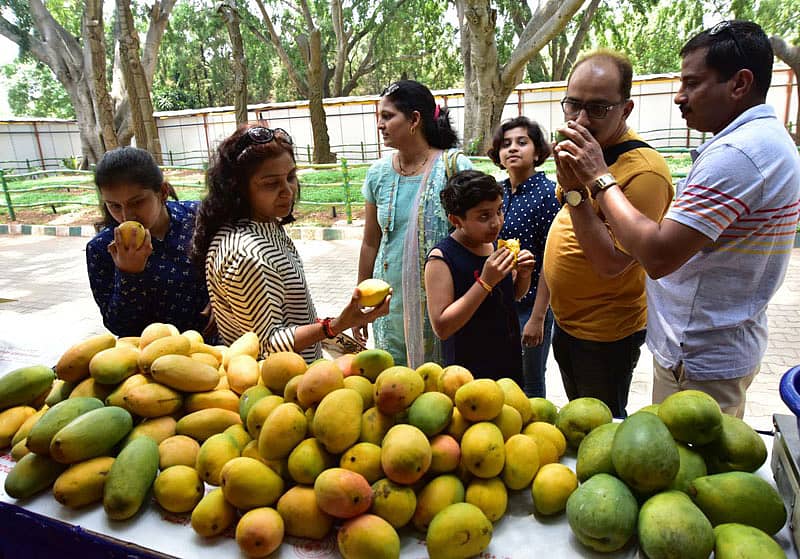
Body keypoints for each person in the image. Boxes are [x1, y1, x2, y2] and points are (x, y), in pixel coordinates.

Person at [555, 22, 800, 418]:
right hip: (692, 350)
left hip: (700, 355)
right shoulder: (750, 144)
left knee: (685, 470)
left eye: (691, 83)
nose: (679, 97)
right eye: (573, 105)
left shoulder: (739, 155)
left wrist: (597, 179)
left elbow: (656, 255)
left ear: (739, 84)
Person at [543, 49, 674, 418]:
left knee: (601, 427)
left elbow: (611, 263)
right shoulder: (587, 152)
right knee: (577, 416)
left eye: (599, 108)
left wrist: (578, 189)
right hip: (568, 323)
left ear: (626, 110)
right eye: (573, 105)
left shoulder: (645, 172)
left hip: (605, 335)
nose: (582, 120)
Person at [191, 125, 389, 363]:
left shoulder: (266, 226)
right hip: (276, 390)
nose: (287, 190)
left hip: (302, 377)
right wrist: (336, 325)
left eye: (291, 177)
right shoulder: (245, 253)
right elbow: (265, 346)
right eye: (270, 183)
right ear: (238, 188)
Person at [356, 80, 472, 367]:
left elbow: (479, 236)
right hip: (389, 307)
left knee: (438, 390)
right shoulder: (378, 174)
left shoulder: (454, 167)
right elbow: (371, 241)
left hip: (441, 305)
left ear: (415, 120)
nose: (380, 125)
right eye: (378, 118)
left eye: (387, 116)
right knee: (394, 387)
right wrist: (360, 301)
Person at [86, 146, 213, 339]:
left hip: (212, 347)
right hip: (149, 357)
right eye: (114, 206)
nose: (126, 216)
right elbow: (119, 326)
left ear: (162, 192)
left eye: (137, 202)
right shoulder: (102, 249)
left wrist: (222, 299)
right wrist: (129, 275)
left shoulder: (199, 219)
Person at [424, 170, 533, 383]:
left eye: (499, 210)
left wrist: (524, 276)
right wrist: (485, 282)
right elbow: (442, 327)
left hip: (507, 360)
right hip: (467, 371)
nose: (496, 222)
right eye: (484, 216)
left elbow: (513, 297)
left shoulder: (493, 246)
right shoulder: (441, 259)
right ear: (456, 220)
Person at [488, 117, 560, 397]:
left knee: (530, 381)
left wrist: (538, 317)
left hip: (533, 305)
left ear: (538, 151)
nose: (513, 149)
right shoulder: (499, 192)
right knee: (503, 375)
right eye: (506, 144)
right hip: (501, 300)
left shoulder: (548, 194)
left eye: (522, 142)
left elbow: (553, 261)